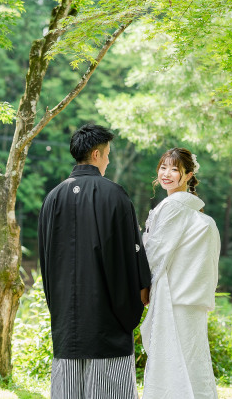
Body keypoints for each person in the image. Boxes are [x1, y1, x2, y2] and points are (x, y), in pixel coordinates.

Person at [38, 124, 152, 399]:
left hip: (67, 317)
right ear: (97, 154)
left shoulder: (53, 197)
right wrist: (139, 292)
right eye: (108, 154)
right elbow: (130, 252)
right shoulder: (114, 194)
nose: (109, 160)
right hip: (106, 318)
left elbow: (45, 257)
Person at [140, 147, 220, 399]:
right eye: (163, 167)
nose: (166, 174)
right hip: (190, 295)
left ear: (187, 175)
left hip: (174, 295)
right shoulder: (192, 209)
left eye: (174, 169)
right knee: (192, 357)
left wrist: (142, 284)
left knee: (171, 357)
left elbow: (155, 252)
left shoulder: (174, 206)